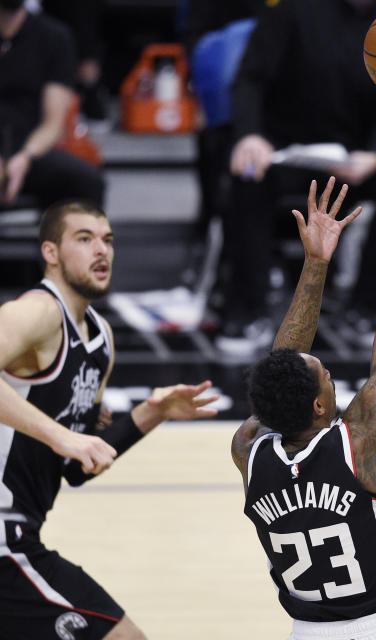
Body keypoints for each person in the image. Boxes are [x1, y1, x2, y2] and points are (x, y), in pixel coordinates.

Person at [231, 116, 376, 640]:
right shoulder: (361, 441)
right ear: (321, 408)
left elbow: (281, 366)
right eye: (325, 376)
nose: (328, 369)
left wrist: (315, 264)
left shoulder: (249, 450)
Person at [0, 199, 219, 638]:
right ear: (51, 252)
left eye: (108, 240)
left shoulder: (101, 339)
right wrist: (64, 436)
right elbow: (69, 445)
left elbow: (77, 468)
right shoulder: (38, 312)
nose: (101, 250)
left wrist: (151, 414)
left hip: (22, 532)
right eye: (84, 239)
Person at [219, 0, 376, 353]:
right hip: (283, 151)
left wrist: (374, 153)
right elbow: (250, 80)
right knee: (248, 174)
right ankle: (247, 309)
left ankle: (366, 308)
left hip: (351, 161)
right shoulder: (289, 9)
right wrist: (250, 135)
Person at [0, 1, 105, 210]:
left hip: (32, 148)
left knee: (86, 181)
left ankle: (64, 242)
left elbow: (53, 124)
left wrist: (25, 158)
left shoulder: (54, 37)